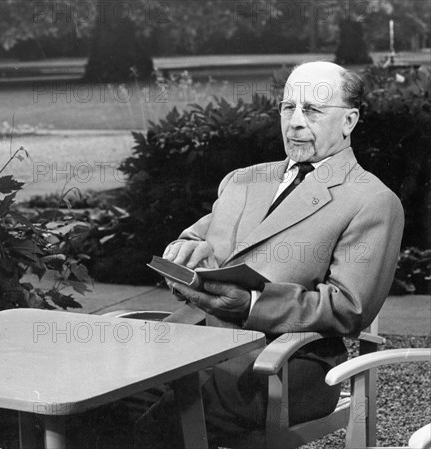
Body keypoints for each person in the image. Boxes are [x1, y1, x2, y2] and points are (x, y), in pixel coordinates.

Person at [133, 61, 405, 448]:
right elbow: (199, 237)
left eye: (311, 110)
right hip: (191, 341)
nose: (294, 122)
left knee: (153, 425)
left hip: (281, 362)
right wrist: (185, 253)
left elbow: (349, 307)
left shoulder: (371, 200)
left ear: (349, 121)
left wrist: (251, 304)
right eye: (287, 107)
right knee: (93, 399)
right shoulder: (244, 180)